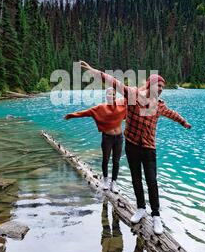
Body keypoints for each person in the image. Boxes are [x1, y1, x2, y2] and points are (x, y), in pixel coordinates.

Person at [79, 61, 192, 235]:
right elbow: (113, 83)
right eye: (158, 85)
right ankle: (140, 209)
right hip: (132, 145)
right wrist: (93, 71)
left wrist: (184, 122)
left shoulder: (159, 105)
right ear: (149, 84)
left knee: (152, 181)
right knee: (136, 178)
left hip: (148, 148)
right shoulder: (132, 95)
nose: (161, 88)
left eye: (163, 87)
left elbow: (172, 114)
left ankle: (156, 216)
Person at [64, 87, 126, 193]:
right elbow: (86, 112)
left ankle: (114, 183)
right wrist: (72, 115)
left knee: (116, 161)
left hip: (119, 138)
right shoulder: (100, 108)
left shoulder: (121, 107)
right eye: (110, 94)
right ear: (106, 96)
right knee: (105, 159)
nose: (112, 96)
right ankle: (105, 181)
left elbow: (134, 102)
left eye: (114, 94)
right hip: (107, 138)